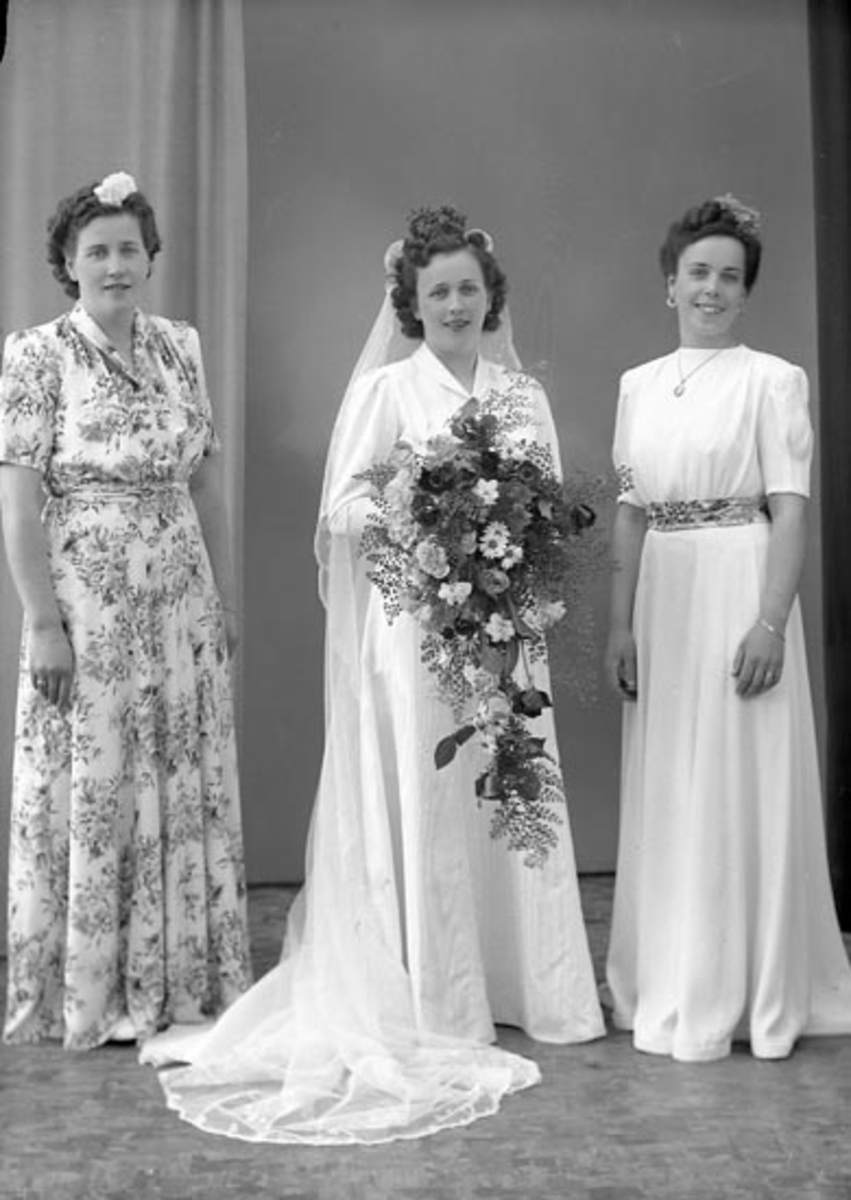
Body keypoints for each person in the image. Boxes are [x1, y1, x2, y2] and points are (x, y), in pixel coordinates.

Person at [140, 204, 604, 1144]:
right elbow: (341, 511)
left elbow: (549, 509)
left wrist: (506, 538)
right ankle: (440, 997)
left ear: (490, 296)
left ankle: (532, 985)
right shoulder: (388, 391)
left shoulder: (521, 396)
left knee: (508, 787)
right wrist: (424, 510)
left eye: (468, 289)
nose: (455, 306)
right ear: (411, 303)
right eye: (438, 292)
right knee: (429, 796)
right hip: (414, 629)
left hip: (502, 631)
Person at [0, 171, 252, 1050]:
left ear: (150, 258)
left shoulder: (180, 347)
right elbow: (17, 503)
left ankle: (179, 978)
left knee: (178, 771)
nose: (115, 265)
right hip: (88, 605)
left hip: (179, 599)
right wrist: (43, 623)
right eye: (97, 251)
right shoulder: (37, 355)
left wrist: (222, 596)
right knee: (96, 781)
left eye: (129, 249)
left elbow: (206, 481)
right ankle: (88, 987)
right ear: (68, 263)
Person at [605, 193, 851, 1062]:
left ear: (746, 293)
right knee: (673, 779)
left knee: (739, 775)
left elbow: (790, 509)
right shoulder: (636, 385)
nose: (711, 289)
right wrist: (619, 626)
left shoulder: (771, 380)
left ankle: (748, 985)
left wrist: (769, 622)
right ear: (669, 284)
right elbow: (629, 512)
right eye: (697, 273)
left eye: (729, 277)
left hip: (739, 580)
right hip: (663, 593)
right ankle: (673, 972)